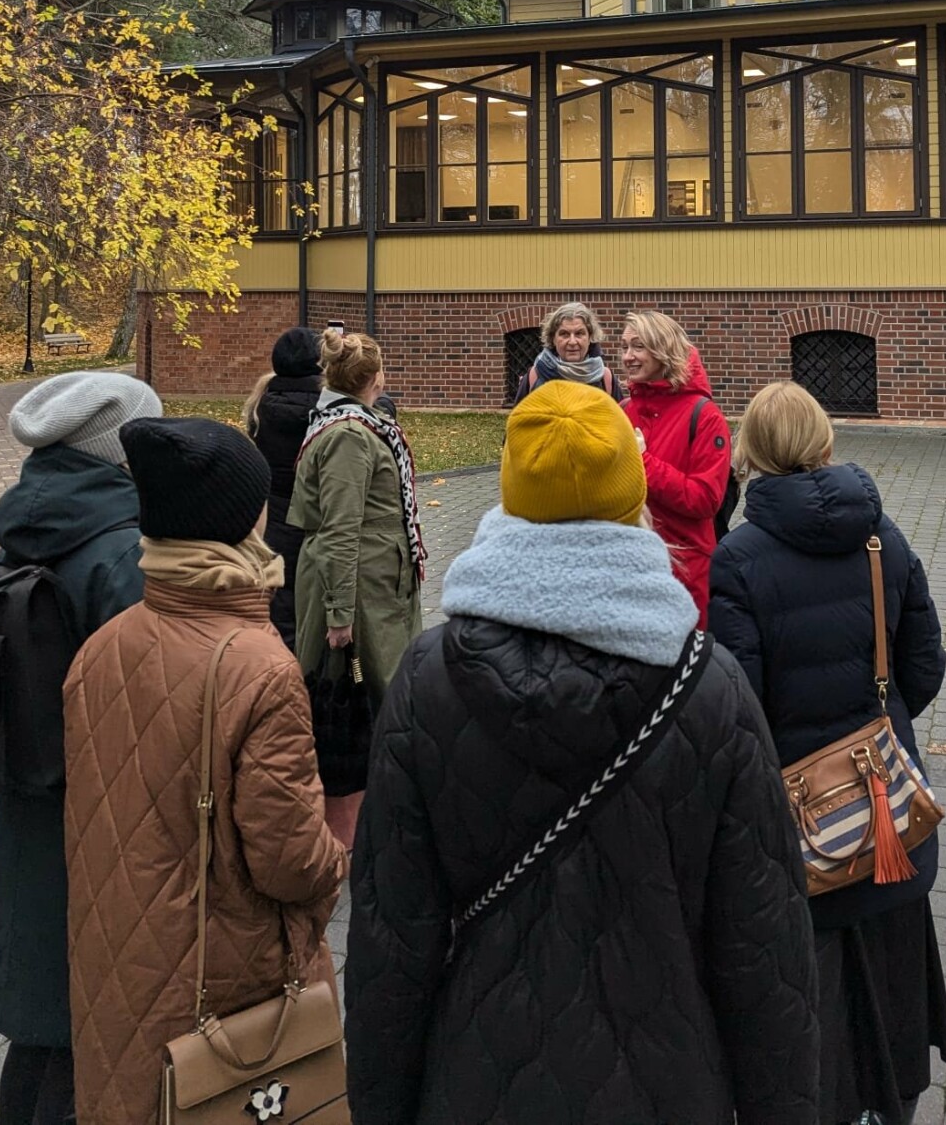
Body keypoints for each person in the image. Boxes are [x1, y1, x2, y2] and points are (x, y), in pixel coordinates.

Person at [344, 380, 819, 1125]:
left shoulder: (426, 678)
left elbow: (388, 940)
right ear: (633, 490)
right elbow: (766, 952)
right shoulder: (708, 686)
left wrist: (380, 1105)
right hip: (672, 1080)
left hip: (473, 1077)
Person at [63, 416, 345, 1125]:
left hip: (117, 970)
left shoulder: (100, 647)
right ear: (242, 520)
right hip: (223, 985)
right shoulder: (260, 667)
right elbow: (288, 861)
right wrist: (337, 863)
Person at [710, 381, 946, 1125]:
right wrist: (878, 709)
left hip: (797, 818)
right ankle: (899, 1097)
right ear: (823, 440)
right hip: (887, 802)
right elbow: (928, 666)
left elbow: (738, 701)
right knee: (895, 970)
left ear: (750, 449)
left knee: (812, 1000)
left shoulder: (739, 557)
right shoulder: (884, 534)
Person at [0, 372, 161, 1125]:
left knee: (39, 1024)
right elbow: (152, 707)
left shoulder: (29, 526)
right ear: (121, 451)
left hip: (28, 808)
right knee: (86, 1029)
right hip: (101, 822)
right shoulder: (120, 550)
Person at [289, 327, 424, 848]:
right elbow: (341, 528)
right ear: (372, 377)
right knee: (360, 698)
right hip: (360, 590)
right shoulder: (349, 433)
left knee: (374, 696)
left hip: (376, 582)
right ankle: (354, 821)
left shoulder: (355, 422)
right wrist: (339, 613)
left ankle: (371, 810)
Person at [620, 310, 731, 622]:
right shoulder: (622, 411)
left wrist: (642, 462)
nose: (628, 356)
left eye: (638, 346)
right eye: (625, 346)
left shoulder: (705, 416)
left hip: (686, 571)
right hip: (629, 567)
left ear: (663, 350)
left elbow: (704, 499)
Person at [243, 325, 323, 649]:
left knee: (281, 606)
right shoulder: (329, 408)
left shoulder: (261, 404)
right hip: (316, 519)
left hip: (273, 521)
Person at [512, 301, 617, 404]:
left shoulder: (605, 378)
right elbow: (518, 419)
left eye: (579, 333)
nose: (572, 341)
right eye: (564, 334)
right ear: (553, 338)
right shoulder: (536, 375)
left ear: (590, 337)